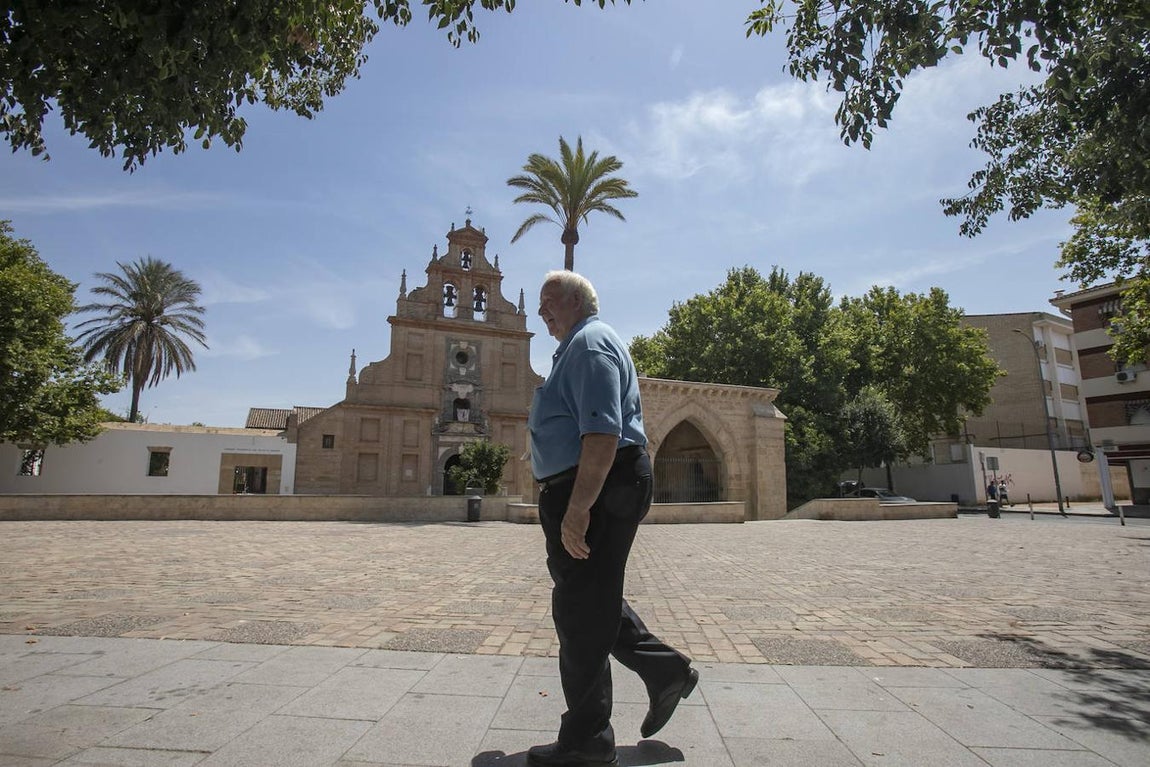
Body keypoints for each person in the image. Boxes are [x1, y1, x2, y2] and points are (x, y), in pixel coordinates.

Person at [526, 271, 697, 767]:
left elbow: (602, 435)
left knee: (580, 612)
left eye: (549, 301)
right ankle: (666, 672)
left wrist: (577, 509)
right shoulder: (577, 346)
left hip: (600, 490)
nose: (542, 311)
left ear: (578, 300)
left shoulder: (590, 345)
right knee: (591, 600)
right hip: (591, 487)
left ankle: (587, 740)